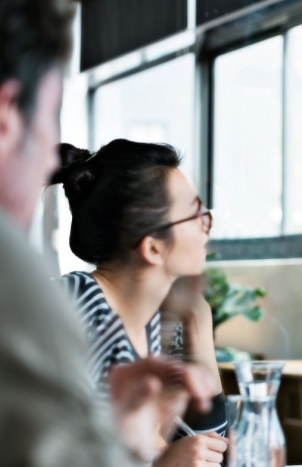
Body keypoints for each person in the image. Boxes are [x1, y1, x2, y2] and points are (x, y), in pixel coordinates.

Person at [0, 0, 216, 466]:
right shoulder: (27, 291)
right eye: (46, 123)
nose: (49, 157)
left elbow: (199, 435)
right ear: (2, 121)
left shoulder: (163, 320)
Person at [51, 139, 228, 466]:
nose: (208, 227)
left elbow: (210, 453)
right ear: (153, 248)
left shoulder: (157, 322)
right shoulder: (72, 310)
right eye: (195, 215)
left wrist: (199, 325)